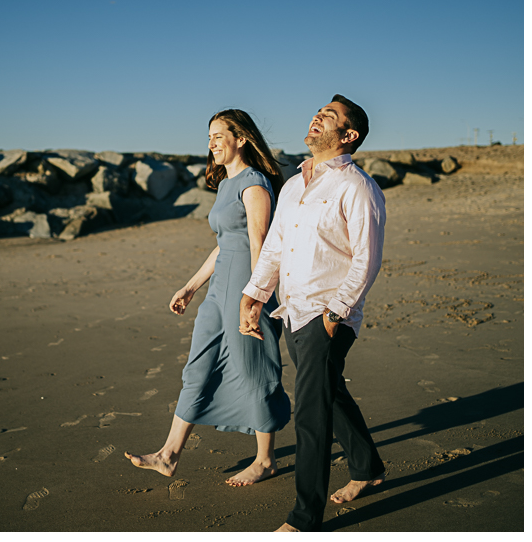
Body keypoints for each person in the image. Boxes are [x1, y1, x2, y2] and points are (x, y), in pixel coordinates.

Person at [239, 96, 386, 532]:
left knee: (311, 413)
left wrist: (335, 313)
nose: (317, 117)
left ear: (349, 135)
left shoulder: (357, 186)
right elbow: (275, 248)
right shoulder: (292, 185)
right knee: (329, 392)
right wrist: (254, 295)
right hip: (293, 311)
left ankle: (305, 517)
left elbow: (367, 258)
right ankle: (367, 466)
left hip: (327, 315)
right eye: (318, 111)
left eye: (329, 116)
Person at [125, 109, 291, 486]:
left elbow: (259, 243)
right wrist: (190, 286)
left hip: (247, 286)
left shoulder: (254, 183)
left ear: (241, 138)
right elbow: (223, 246)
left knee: (254, 367)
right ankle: (168, 455)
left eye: (219, 135)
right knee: (197, 367)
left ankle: (266, 459)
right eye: (209, 136)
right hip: (218, 291)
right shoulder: (225, 185)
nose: (211, 143)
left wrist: (256, 297)